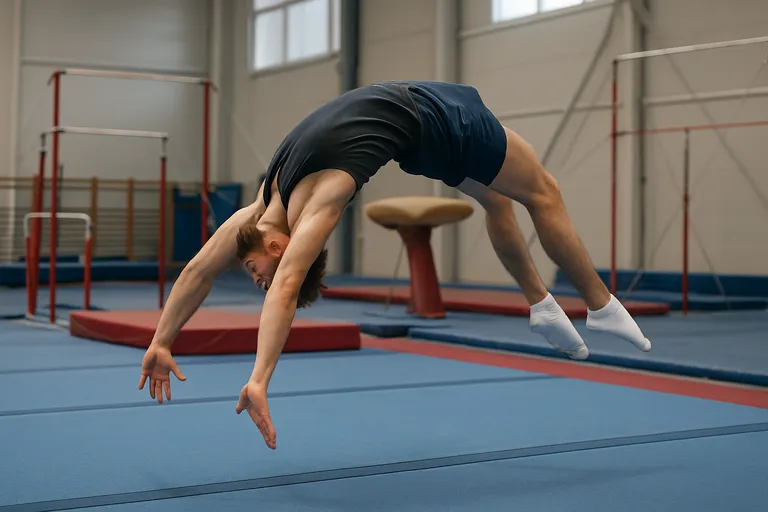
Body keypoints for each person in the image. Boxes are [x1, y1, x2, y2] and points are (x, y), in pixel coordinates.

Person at [138, 81, 651, 450]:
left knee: (497, 200)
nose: (254, 276)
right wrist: (259, 379)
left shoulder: (262, 203)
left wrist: (162, 340)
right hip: (435, 118)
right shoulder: (320, 200)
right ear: (280, 247)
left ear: (272, 247)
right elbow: (287, 283)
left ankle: (541, 303)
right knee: (543, 191)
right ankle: (600, 305)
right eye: (257, 278)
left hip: (425, 120)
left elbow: (198, 271)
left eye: (255, 275)